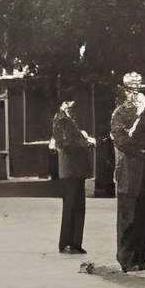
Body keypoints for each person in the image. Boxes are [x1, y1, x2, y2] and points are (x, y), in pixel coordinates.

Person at [108, 70, 145, 272]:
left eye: (138, 88)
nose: (135, 92)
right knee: (128, 218)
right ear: (124, 90)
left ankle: (142, 257)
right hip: (129, 172)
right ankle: (127, 259)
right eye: (131, 88)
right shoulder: (120, 113)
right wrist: (141, 151)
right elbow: (121, 140)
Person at [51, 98, 94, 255]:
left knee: (79, 206)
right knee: (70, 206)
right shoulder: (61, 120)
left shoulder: (70, 119)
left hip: (76, 168)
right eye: (69, 101)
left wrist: (84, 140)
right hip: (70, 168)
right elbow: (65, 143)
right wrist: (85, 141)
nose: (73, 104)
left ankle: (75, 242)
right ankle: (67, 243)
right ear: (63, 103)